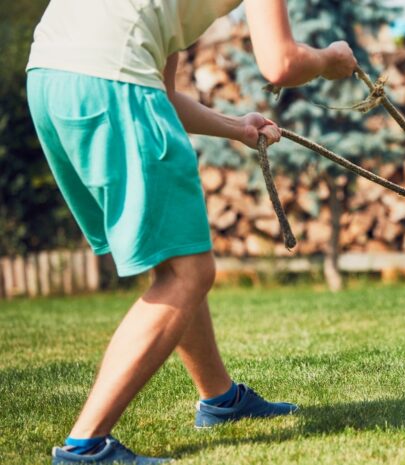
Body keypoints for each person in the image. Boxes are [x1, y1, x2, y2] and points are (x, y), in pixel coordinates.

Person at [25, 1, 357, 463]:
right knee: (189, 274)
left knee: (179, 258)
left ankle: (220, 400)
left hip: (51, 79)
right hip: (110, 81)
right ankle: (86, 446)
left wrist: (235, 127)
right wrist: (329, 60)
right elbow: (281, 63)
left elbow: (162, 92)